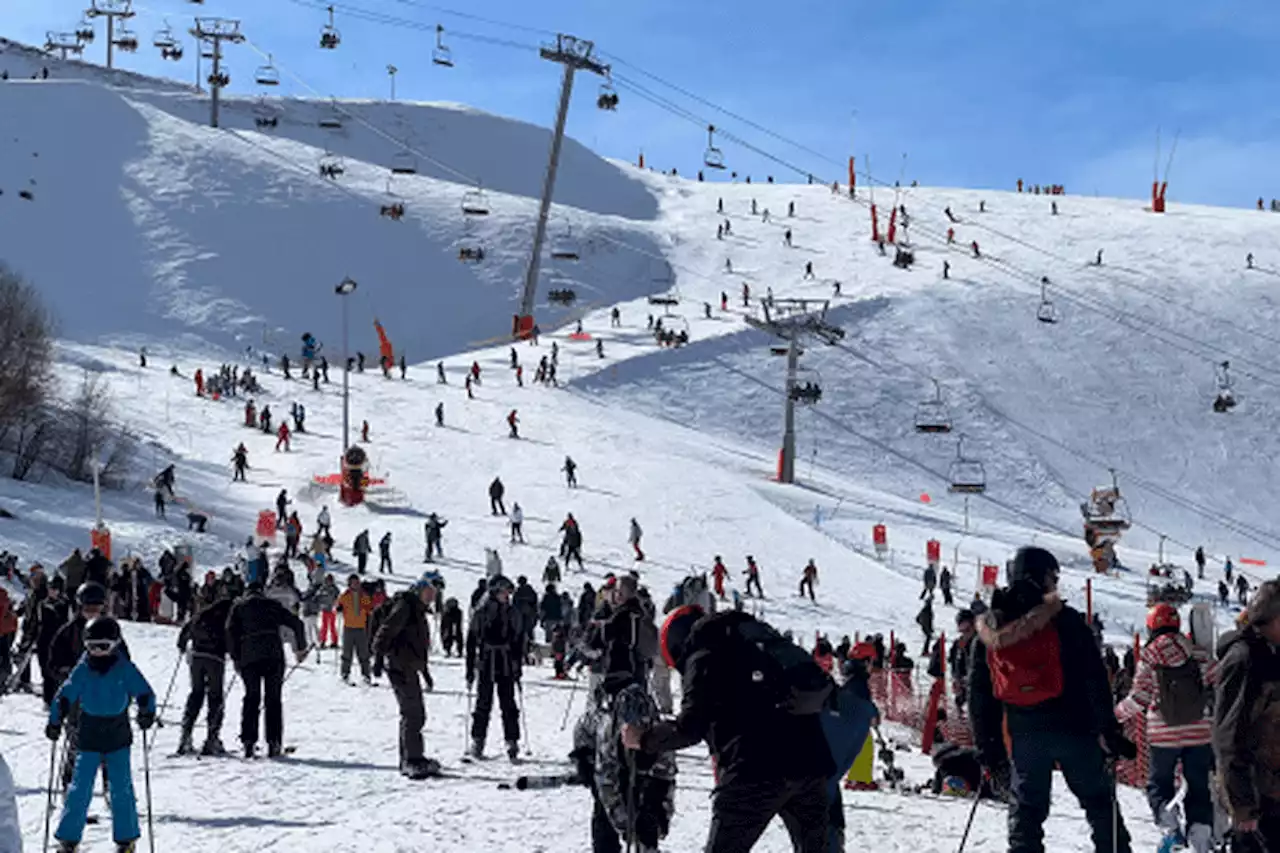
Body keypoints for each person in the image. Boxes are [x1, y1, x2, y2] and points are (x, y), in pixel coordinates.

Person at [623, 605, 834, 852]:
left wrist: (644, 739)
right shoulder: (758, 639)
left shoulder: (704, 652)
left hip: (754, 768)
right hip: (811, 763)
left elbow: (690, 727)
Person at [968, 546, 1134, 853]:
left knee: (1026, 811)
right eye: (1053, 577)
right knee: (1099, 804)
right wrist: (1108, 730)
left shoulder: (990, 629)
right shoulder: (1066, 621)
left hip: (1025, 733)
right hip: (1076, 730)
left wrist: (988, 748)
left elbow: (979, 696)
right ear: (1041, 577)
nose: (1055, 584)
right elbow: (1094, 678)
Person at [47, 616, 155, 853]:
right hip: (89, 733)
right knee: (79, 788)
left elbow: (144, 691)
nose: (97, 652)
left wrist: (147, 709)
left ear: (115, 644)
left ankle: (126, 839)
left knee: (121, 787)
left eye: (103, 646)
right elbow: (66, 693)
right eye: (92, 646)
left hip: (117, 734)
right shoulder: (83, 668)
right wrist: (56, 717)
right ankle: (68, 838)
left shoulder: (124, 667)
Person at [1115, 603, 1215, 852]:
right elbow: (1217, 677)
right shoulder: (1197, 652)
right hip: (1199, 731)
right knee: (1199, 783)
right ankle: (1201, 835)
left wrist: (1115, 715)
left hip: (1163, 734)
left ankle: (1170, 828)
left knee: (1159, 782)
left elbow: (1140, 699)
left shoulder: (1149, 657)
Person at [1214, 579, 1280, 851]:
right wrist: (1242, 805)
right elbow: (1228, 736)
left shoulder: (1274, 654)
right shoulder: (1246, 659)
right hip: (1259, 797)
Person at [226, 581, 307, 758]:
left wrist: (236, 658)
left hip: (249, 658)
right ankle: (274, 743)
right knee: (273, 699)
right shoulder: (272, 605)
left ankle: (249, 742)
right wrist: (300, 649)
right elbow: (297, 623)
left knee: (251, 698)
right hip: (273, 656)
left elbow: (230, 632)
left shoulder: (239, 607)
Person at [373, 573, 441, 779]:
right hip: (398, 666)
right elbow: (387, 630)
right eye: (429, 591)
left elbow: (417, 646)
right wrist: (377, 657)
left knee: (415, 713)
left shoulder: (417, 610)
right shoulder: (405, 606)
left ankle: (413, 758)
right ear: (420, 588)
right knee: (412, 714)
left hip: (408, 666)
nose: (432, 596)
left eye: (435, 593)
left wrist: (425, 673)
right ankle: (411, 760)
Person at [466, 575, 524, 760]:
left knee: (508, 704)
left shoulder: (512, 612)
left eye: (508, 592)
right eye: (503, 591)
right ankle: (478, 740)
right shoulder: (481, 612)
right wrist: (469, 668)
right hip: (486, 660)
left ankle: (512, 741)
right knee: (483, 702)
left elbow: (518, 640)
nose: (507, 595)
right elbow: (471, 640)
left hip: (505, 661)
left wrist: (517, 665)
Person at [176, 587, 234, 756]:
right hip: (215, 658)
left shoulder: (204, 613)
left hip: (197, 656)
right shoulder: (228, 615)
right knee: (215, 697)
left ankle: (185, 735)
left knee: (196, 693)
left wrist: (182, 646)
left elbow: (186, 629)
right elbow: (232, 635)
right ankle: (212, 738)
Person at [336, 574, 374, 684]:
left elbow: (369, 607)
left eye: (357, 582)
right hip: (348, 627)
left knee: (363, 653)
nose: (356, 584)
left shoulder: (363, 595)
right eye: (354, 582)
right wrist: (339, 608)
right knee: (347, 652)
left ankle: (366, 674)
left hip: (360, 628)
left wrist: (370, 609)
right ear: (349, 584)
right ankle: (345, 673)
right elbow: (339, 605)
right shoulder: (345, 595)